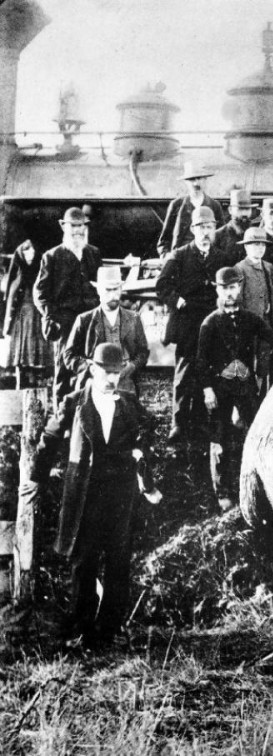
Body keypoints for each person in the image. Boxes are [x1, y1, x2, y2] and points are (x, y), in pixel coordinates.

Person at [30, 343, 153, 648]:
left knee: (118, 561)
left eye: (117, 372)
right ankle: (82, 628)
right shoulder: (74, 402)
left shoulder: (129, 404)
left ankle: (109, 629)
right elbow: (50, 437)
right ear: (92, 369)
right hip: (85, 494)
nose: (112, 378)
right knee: (83, 562)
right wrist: (37, 477)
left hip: (120, 495)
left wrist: (140, 455)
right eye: (106, 372)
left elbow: (148, 430)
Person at [197, 267, 273, 510]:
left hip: (245, 387)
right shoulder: (210, 323)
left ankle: (262, 488)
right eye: (224, 289)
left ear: (239, 288)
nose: (229, 293)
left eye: (233, 287)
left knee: (256, 432)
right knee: (219, 439)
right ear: (218, 291)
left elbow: (272, 336)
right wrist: (207, 389)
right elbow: (201, 361)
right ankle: (223, 492)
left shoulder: (250, 319)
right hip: (220, 388)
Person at [155, 206, 235, 446]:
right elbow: (162, 286)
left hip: (211, 322)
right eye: (201, 227)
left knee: (209, 370)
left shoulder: (221, 258)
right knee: (184, 375)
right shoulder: (179, 255)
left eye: (210, 227)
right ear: (192, 229)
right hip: (187, 323)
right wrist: (178, 302)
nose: (205, 232)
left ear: (214, 229)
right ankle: (178, 424)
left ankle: (201, 424)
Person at [33, 207, 102, 404]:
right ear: (64, 227)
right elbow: (40, 294)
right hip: (65, 322)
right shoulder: (52, 256)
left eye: (81, 226)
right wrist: (51, 317)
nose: (78, 230)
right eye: (73, 226)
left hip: (90, 321)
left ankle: (85, 414)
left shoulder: (93, 253)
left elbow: (101, 285)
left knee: (91, 367)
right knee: (64, 369)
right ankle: (62, 417)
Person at [63, 266, 148, 397]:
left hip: (125, 383)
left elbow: (143, 352)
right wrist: (90, 367)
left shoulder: (134, 318)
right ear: (98, 290)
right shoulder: (85, 320)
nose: (113, 295)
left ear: (121, 289)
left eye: (116, 289)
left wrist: (132, 366)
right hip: (94, 382)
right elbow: (69, 355)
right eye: (108, 290)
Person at [234, 227, 273, 396]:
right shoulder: (240, 268)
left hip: (265, 324)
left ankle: (261, 399)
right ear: (246, 247)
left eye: (262, 245)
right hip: (248, 326)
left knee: (264, 364)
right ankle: (244, 403)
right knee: (246, 365)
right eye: (255, 245)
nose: (260, 248)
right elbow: (237, 300)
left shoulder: (269, 267)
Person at [3, 239, 51, 388]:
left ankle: (38, 382)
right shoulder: (17, 276)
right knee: (20, 354)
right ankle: (22, 381)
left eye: (32, 251)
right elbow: (10, 299)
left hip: (39, 316)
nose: (29, 255)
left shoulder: (42, 273)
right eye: (26, 252)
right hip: (21, 317)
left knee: (39, 353)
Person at [156, 162, 225, 257]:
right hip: (181, 258)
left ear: (205, 180)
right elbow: (164, 240)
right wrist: (167, 257)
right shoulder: (177, 205)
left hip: (207, 258)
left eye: (200, 178)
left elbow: (222, 237)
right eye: (192, 179)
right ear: (186, 182)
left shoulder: (214, 206)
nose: (196, 183)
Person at [214, 189, 258, 262]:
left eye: (247, 209)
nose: (244, 213)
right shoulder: (217, 236)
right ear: (230, 210)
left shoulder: (257, 235)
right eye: (240, 209)